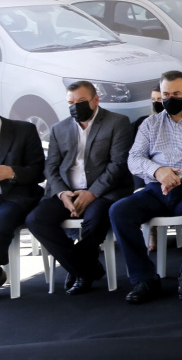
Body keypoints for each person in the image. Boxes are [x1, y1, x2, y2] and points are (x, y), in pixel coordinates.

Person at [109, 70, 182, 304]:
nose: (170, 99)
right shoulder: (150, 124)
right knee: (119, 211)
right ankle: (145, 279)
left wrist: (180, 175)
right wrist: (158, 171)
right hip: (155, 190)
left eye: (176, 94)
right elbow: (134, 159)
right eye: (165, 95)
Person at [26, 81, 133, 295]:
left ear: (96, 99)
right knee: (36, 220)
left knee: (95, 220)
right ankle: (85, 269)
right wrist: (62, 193)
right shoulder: (59, 128)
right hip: (67, 191)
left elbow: (118, 164)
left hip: (104, 191)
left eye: (81, 101)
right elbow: (51, 167)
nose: (76, 106)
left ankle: (79, 270)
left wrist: (92, 193)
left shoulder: (117, 122)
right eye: (71, 103)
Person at [0, 116, 45, 287]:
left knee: (2, 219)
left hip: (16, 196)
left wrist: (11, 172)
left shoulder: (24, 130)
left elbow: (38, 172)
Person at [131, 87, 164, 190]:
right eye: (153, 99)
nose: (156, 103)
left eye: (159, 99)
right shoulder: (143, 122)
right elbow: (136, 156)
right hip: (147, 178)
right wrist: (139, 187)